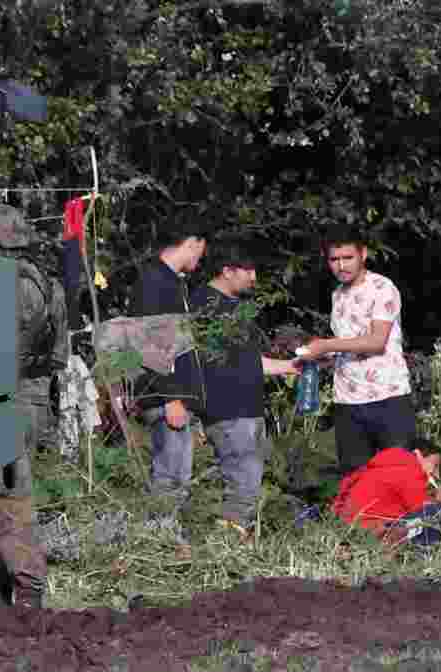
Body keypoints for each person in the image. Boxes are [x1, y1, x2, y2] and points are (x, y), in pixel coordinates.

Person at [0, 199, 68, 608]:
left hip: (0, 398)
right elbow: (58, 357)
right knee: (12, 492)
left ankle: (28, 586)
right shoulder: (50, 285)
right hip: (33, 399)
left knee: (8, 497)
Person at [188, 246, 299, 539]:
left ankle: (235, 543)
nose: (254, 277)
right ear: (226, 271)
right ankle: (224, 549)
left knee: (247, 485)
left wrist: (290, 366)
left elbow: (248, 362)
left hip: (247, 409)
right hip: (228, 409)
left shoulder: (233, 306)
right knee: (241, 486)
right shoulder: (205, 305)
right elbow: (203, 363)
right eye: (247, 270)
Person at [297, 228, 417, 478]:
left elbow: (376, 342)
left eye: (347, 257)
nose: (341, 266)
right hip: (347, 400)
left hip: (388, 395)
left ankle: (407, 519)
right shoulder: (338, 295)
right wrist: (315, 356)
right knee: (356, 481)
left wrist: (327, 345)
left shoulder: (382, 287)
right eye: (334, 259)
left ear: (363, 254)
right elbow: (346, 345)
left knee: (396, 477)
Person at [128, 218, 208, 533]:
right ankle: (158, 539)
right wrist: (171, 396)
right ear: (192, 242)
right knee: (169, 477)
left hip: (177, 396)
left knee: (178, 478)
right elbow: (148, 344)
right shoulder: (154, 282)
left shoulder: (173, 282)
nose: (201, 259)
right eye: (201, 250)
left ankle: (169, 537)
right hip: (165, 396)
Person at [330, 438, 441, 551]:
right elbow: (421, 507)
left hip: (351, 532)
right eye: (435, 466)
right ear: (417, 454)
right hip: (376, 533)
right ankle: (421, 552)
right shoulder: (410, 469)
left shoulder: (378, 468)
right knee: (434, 512)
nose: (437, 475)